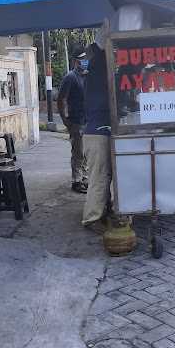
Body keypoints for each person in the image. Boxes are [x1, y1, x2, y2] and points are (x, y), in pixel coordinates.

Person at [82, 38, 112, 232]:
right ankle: (91, 219)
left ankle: (102, 213)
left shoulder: (92, 74)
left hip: (96, 132)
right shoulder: (99, 76)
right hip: (97, 133)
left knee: (103, 176)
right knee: (99, 179)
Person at [57, 47, 88, 193]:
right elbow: (61, 99)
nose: (85, 62)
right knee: (78, 152)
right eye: (82, 59)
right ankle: (76, 181)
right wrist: (65, 119)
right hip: (76, 121)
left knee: (86, 153)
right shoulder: (70, 77)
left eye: (86, 59)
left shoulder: (87, 76)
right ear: (76, 61)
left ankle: (84, 178)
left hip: (87, 120)